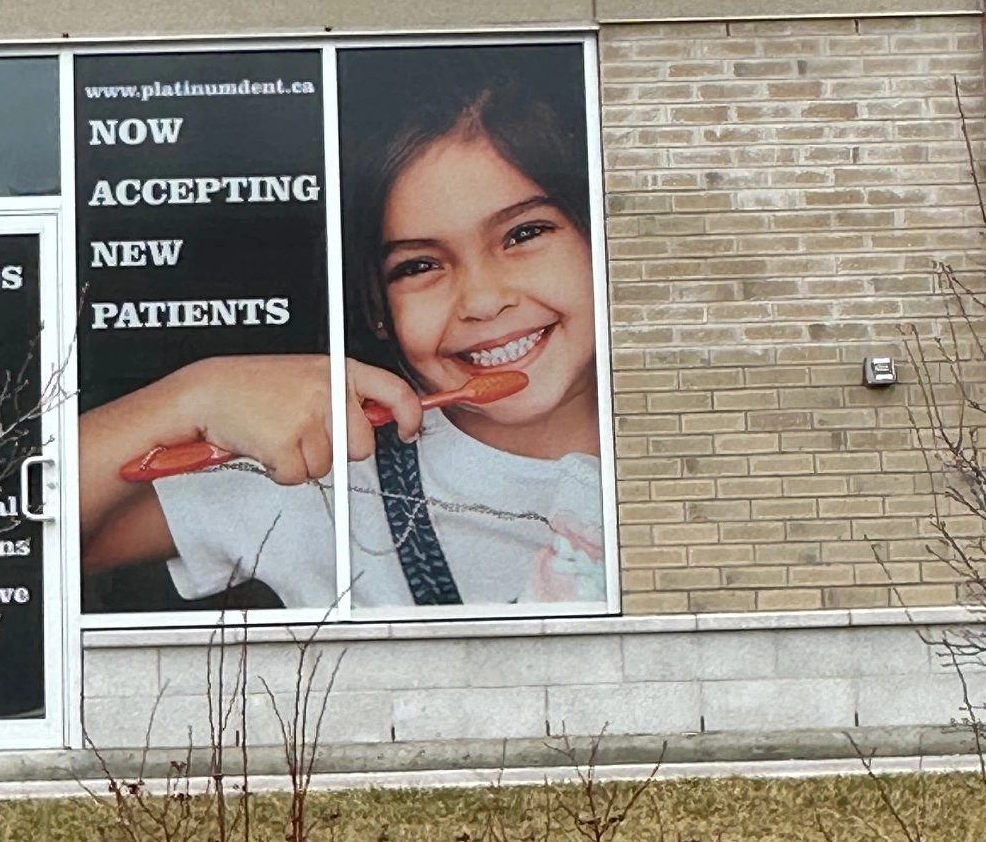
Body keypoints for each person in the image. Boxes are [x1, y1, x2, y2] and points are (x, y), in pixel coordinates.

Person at [77, 45, 606, 610]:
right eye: (419, 266)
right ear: (376, 307)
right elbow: (0, 537)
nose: (481, 301)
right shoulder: (317, 481)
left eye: (524, 234)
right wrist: (196, 393)